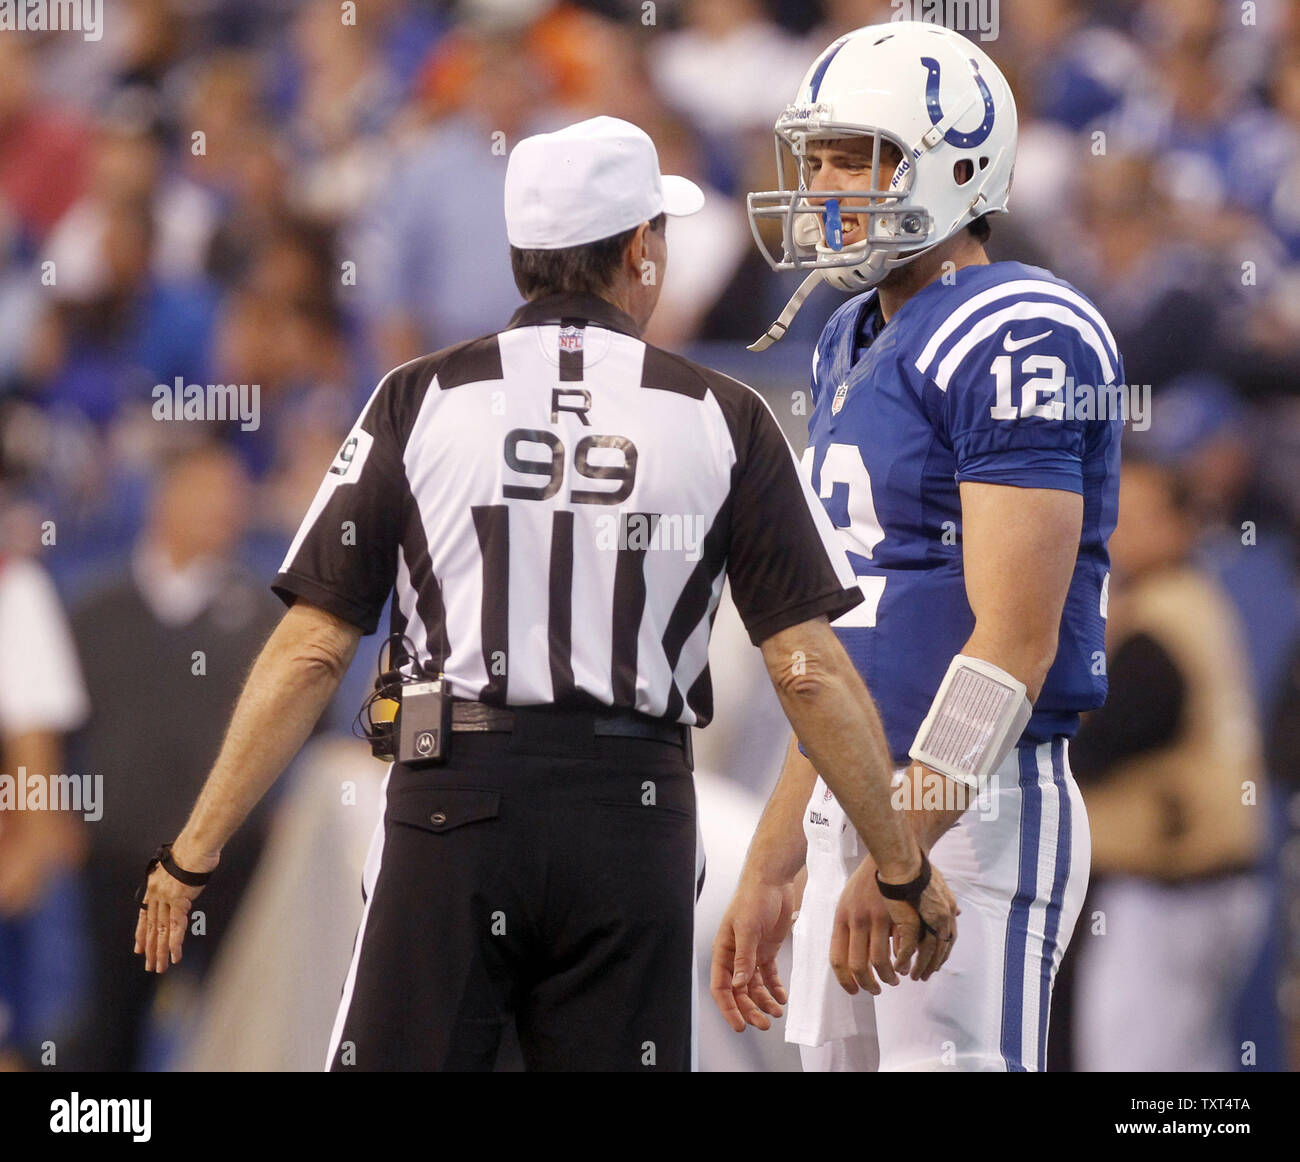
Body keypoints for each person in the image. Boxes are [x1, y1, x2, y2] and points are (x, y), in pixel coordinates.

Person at [134, 116, 958, 1072]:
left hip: (455, 805)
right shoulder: (723, 414)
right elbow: (809, 670)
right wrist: (900, 865)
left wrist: (192, 852)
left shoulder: (419, 397)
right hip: (634, 813)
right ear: (641, 249)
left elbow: (316, 647)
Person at [712, 22, 1122, 1072]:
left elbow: (1014, 639)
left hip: (970, 809)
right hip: (856, 801)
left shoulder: (1017, 327)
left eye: (857, 154)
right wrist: (773, 855)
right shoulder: (851, 336)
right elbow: (852, 648)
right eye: (818, 158)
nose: (825, 184)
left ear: (956, 162)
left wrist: (908, 846)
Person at [1069, 455, 1267, 1072]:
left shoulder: (1161, 615)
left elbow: (1103, 746)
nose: (1119, 531)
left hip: (1166, 892)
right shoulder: (1192, 601)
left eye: (1142, 517)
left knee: (1132, 1071)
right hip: (1210, 886)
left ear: (1182, 526)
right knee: (1189, 1075)